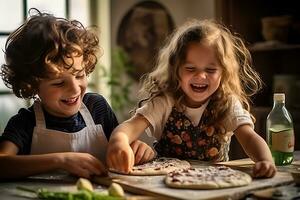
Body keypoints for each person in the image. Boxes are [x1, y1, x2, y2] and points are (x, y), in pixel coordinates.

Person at [107, 19, 277, 178]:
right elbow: (129, 127)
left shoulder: (227, 103)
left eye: (210, 70)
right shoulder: (165, 101)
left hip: (215, 181)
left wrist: (265, 161)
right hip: (167, 182)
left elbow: (248, 137)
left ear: (224, 73)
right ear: (176, 69)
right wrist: (119, 142)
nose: (201, 76)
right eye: (190, 68)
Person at [0, 9, 154, 180]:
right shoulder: (25, 123)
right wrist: (61, 160)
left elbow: (119, 147)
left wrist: (135, 149)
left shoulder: (97, 108)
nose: (75, 89)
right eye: (59, 82)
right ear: (32, 85)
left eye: (79, 75)